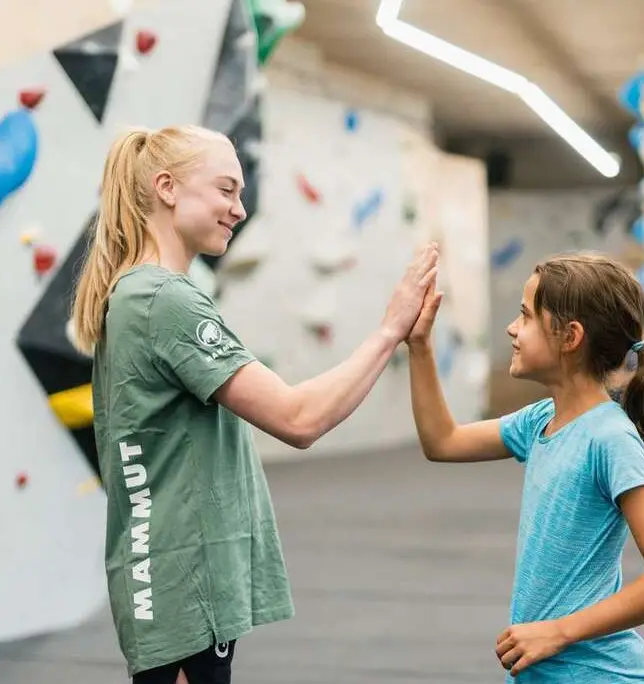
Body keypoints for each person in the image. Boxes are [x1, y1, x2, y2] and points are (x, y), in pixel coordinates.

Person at [69, 124, 439, 684]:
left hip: (173, 580)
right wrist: (390, 330)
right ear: (167, 188)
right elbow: (298, 418)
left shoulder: (144, 294)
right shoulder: (162, 299)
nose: (239, 210)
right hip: (182, 584)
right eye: (226, 190)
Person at [404, 253, 644, 683]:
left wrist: (559, 632)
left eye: (525, 315)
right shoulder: (541, 419)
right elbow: (442, 441)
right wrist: (419, 346)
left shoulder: (610, 439)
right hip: (540, 672)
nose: (512, 328)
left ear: (570, 336)